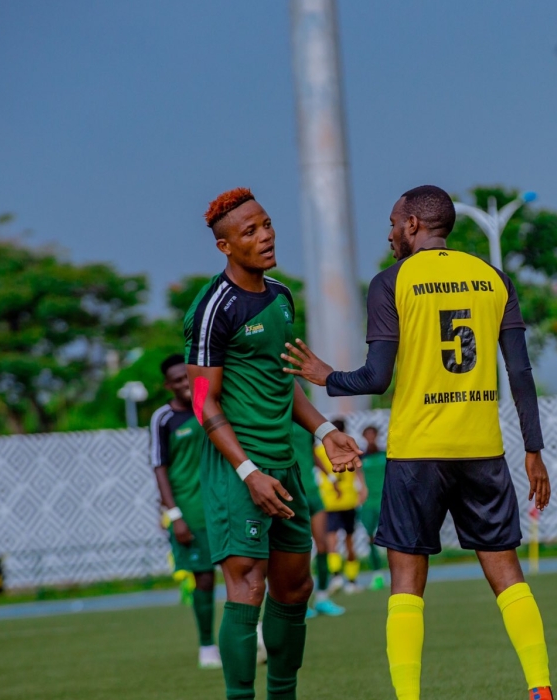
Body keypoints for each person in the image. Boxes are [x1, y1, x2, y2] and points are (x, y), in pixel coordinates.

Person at [282, 185, 555, 700]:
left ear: (411, 225)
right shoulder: (494, 278)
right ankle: (540, 689)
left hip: (416, 455)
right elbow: (520, 372)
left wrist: (326, 376)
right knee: (508, 576)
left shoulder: (392, 281)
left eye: (391, 222)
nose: (388, 233)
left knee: (407, 585)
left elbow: (376, 377)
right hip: (482, 451)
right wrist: (533, 450)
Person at [185, 187, 363, 700]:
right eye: (250, 231)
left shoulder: (282, 297)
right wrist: (247, 472)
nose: (265, 236)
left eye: (266, 224)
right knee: (248, 587)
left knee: (296, 589)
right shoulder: (212, 308)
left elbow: (283, 381)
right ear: (225, 247)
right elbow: (202, 401)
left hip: (284, 467)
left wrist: (327, 433)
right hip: (237, 471)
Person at [151, 354, 222, 670]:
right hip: (190, 511)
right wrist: (174, 514)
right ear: (168, 385)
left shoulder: (213, 405)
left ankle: (253, 633)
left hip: (224, 503)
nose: (184, 384)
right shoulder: (163, 419)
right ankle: (207, 646)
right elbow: (159, 467)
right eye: (177, 380)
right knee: (204, 579)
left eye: (188, 377)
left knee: (248, 569)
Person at [290, 422, 344, 618]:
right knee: (298, 551)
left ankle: (322, 598)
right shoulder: (276, 419)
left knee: (322, 546)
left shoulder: (304, 424)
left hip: (313, 493)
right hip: (292, 494)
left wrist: (331, 479)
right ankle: (297, 601)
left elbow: (312, 452)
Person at [314, 418, 366, 594]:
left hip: (334, 501)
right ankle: (349, 580)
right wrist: (362, 489)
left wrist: (362, 489)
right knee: (346, 540)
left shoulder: (321, 451)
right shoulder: (346, 447)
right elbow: (358, 470)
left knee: (334, 540)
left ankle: (339, 577)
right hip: (342, 500)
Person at [360, 425, 389, 590]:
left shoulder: (385, 454)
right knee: (370, 537)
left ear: (377, 435)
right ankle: (377, 573)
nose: (370, 438)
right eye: (367, 435)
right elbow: (359, 477)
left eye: (373, 434)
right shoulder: (362, 457)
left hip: (384, 500)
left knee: (392, 538)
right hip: (368, 502)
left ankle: (395, 571)